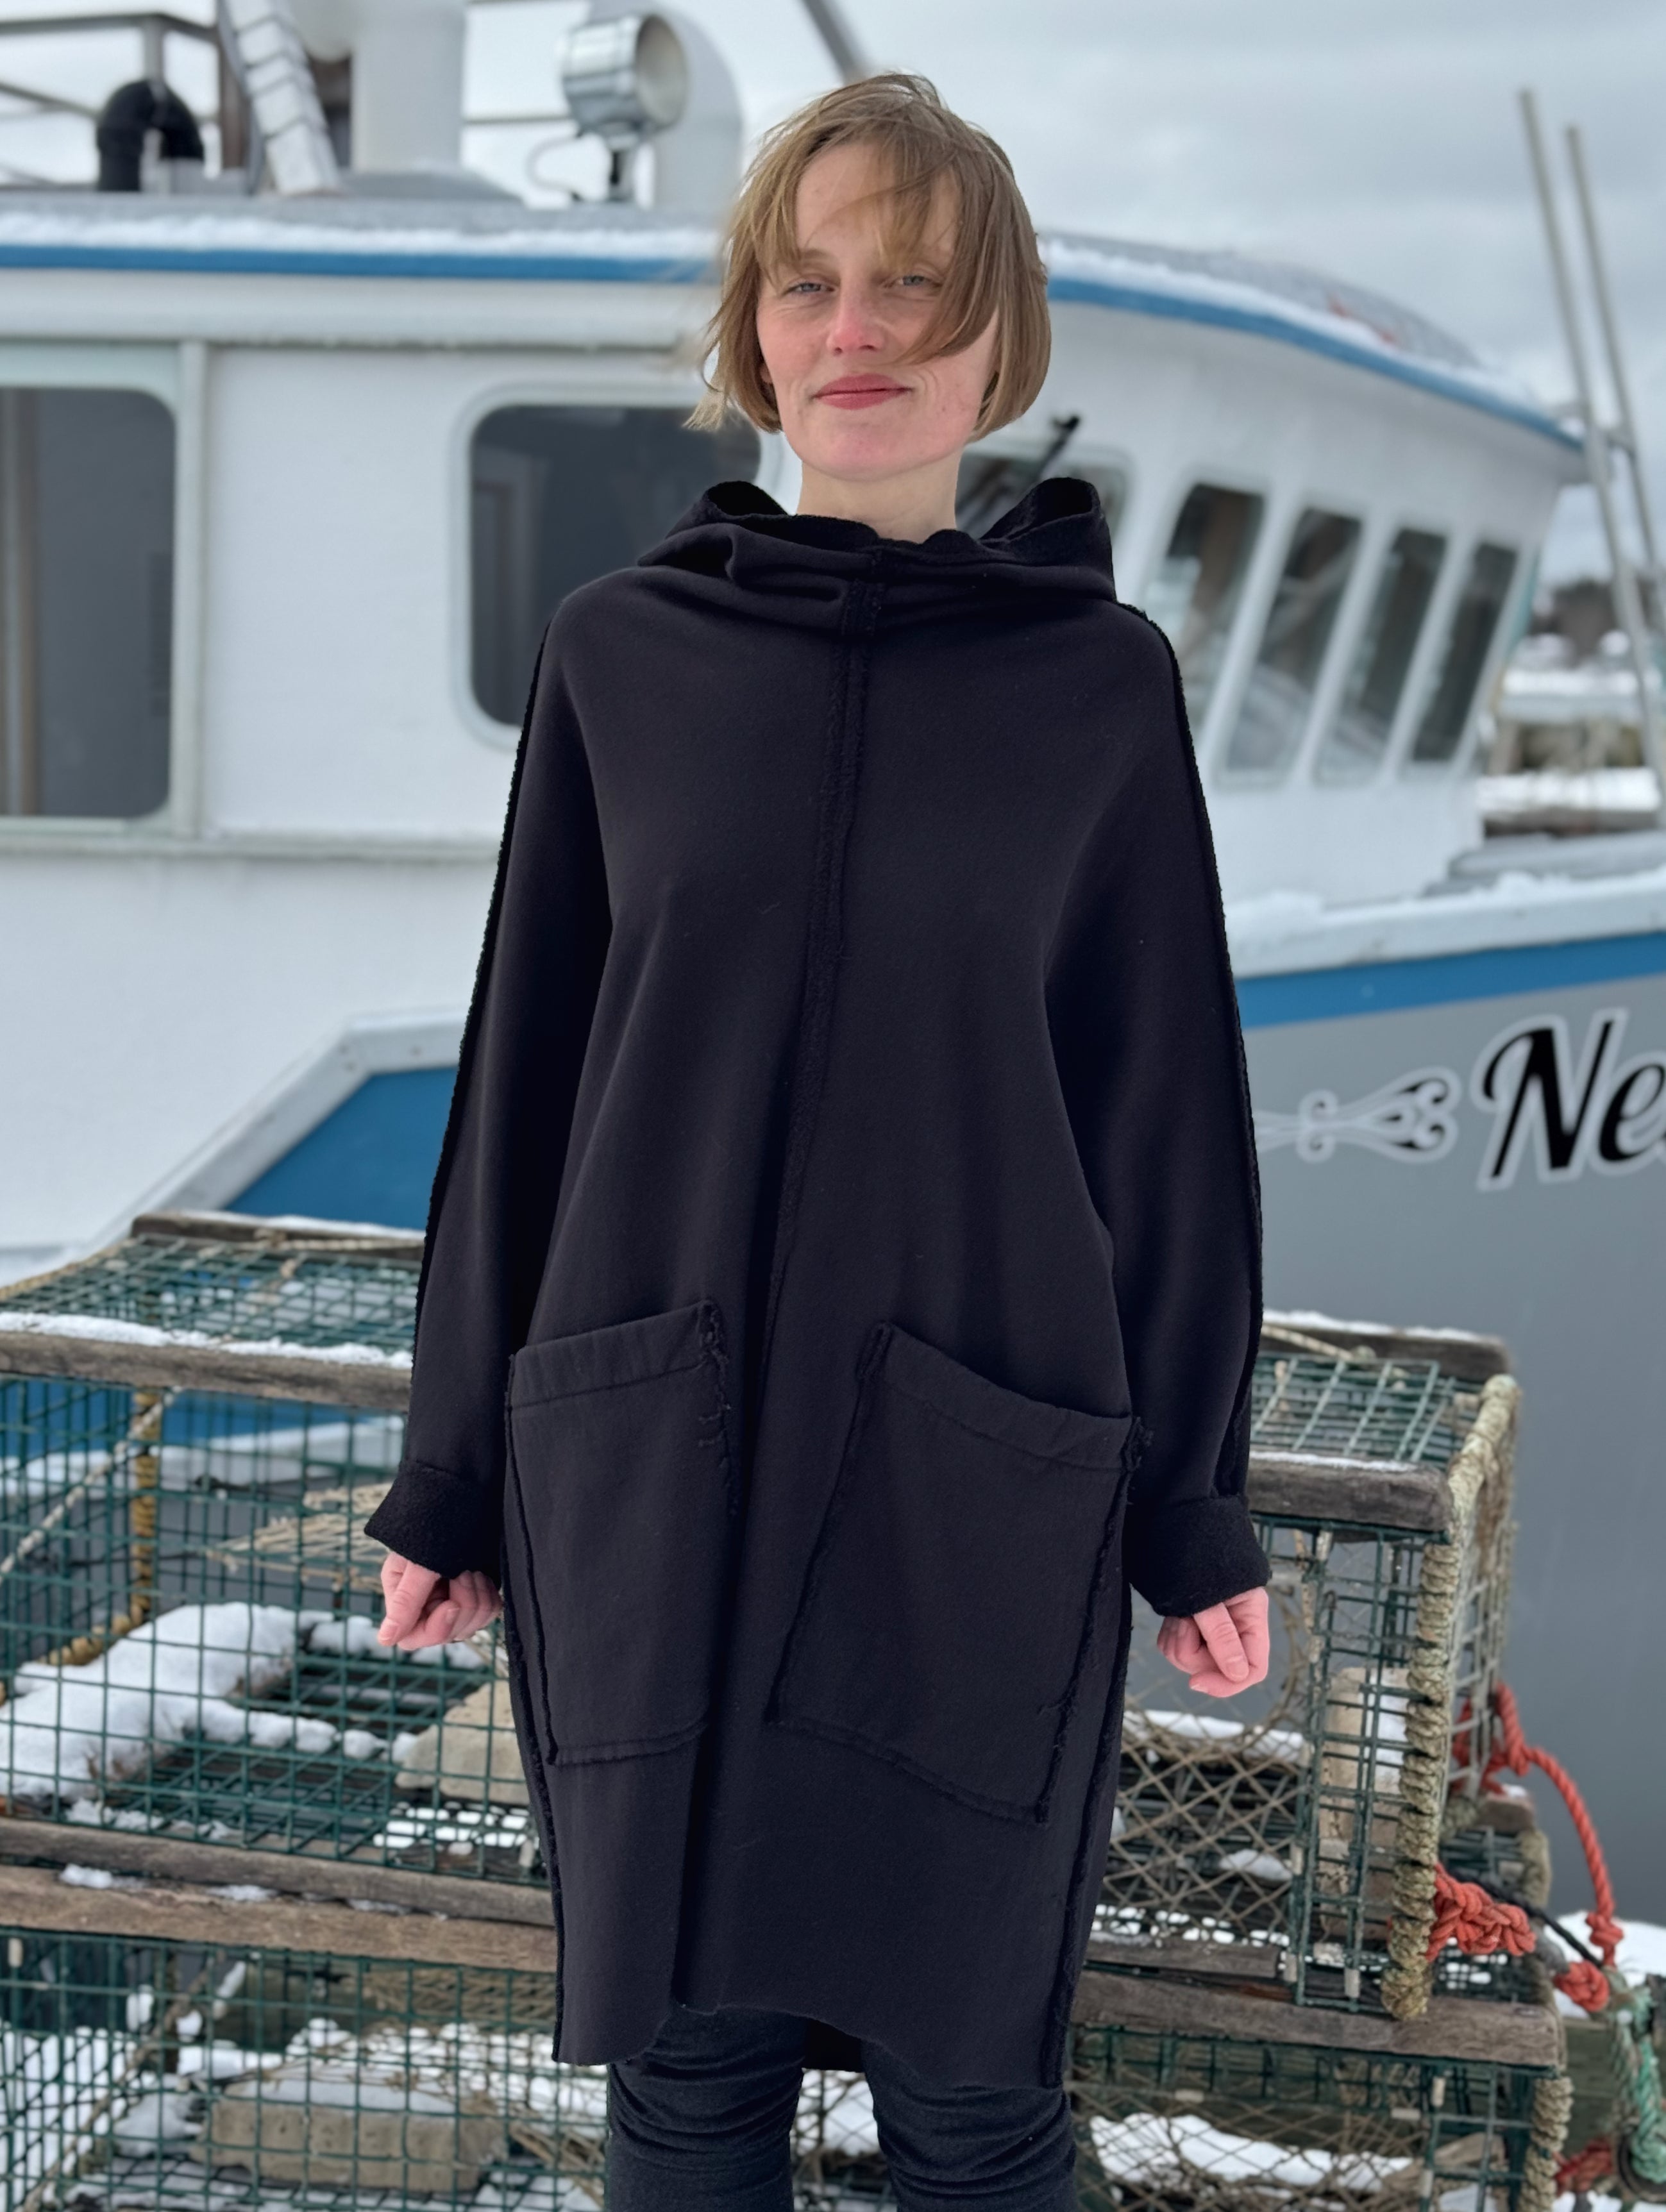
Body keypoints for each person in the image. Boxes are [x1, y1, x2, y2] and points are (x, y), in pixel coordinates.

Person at [366, 70, 1272, 2212]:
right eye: (810, 281)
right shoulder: (621, 660)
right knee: (687, 2077)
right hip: (651, 1459)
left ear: (998, 341)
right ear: (757, 330)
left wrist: (1192, 1501)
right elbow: (523, 1087)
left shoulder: (1100, 691)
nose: (856, 326)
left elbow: (1165, 1116)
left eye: (916, 287)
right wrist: (454, 1467)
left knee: (978, 2089)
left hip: (971, 1480)